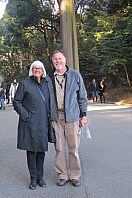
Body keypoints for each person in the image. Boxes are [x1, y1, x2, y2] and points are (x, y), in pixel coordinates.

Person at [48, 50, 88, 187]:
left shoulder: (75, 75)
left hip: (72, 116)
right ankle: (62, 174)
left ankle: (74, 174)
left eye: (60, 59)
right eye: (55, 59)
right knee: (59, 147)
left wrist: (83, 115)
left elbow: (82, 96)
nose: (57, 61)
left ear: (65, 61)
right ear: (52, 62)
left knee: (73, 147)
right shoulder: (48, 78)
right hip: (56, 117)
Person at [14, 60, 54, 190]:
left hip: (43, 122)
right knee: (31, 151)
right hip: (30, 122)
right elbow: (17, 102)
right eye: (35, 68)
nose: (37, 70)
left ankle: (40, 177)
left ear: (43, 70)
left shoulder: (47, 83)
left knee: (41, 151)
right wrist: (26, 115)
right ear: (32, 70)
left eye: (40, 68)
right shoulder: (24, 84)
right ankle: (33, 178)